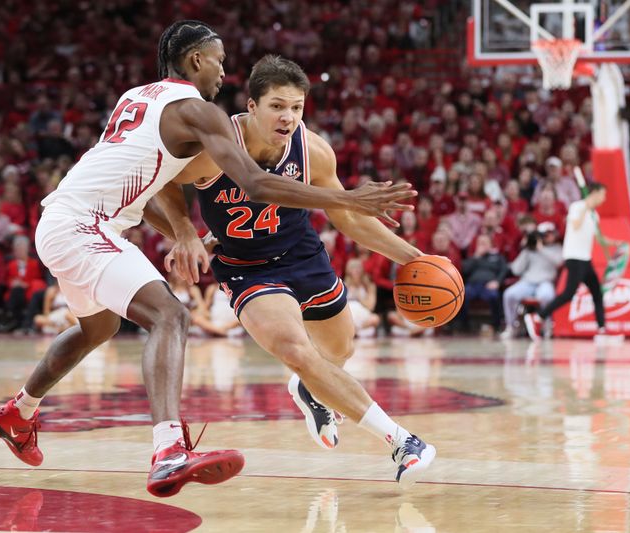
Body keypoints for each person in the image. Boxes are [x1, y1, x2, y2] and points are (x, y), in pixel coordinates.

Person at [0, 21, 416, 498]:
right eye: (219, 60)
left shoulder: (138, 96)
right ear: (195, 61)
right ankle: (169, 450)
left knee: (98, 329)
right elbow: (254, 184)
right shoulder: (198, 111)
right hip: (85, 225)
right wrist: (352, 199)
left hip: (72, 219)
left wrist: (188, 234)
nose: (223, 70)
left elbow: (145, 188)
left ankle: (17, 412)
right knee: (170, 315)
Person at [166, 55, 434, 487]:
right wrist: (184, 230)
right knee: (296, 351)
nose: (288, 116)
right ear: (251, 107)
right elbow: (162, 182)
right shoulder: (214, 148)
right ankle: (402, 441)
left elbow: (346, 217)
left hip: (302, 254)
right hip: (246, 266)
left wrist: (415, 259)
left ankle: (312, 391)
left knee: (338, 352)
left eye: (295, 107)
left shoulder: (312, 150)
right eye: (277, 106)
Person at [525, 183, 623, 341]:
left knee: (597, 293)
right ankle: (537, 317)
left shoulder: (594, 214)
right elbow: (576, 225)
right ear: (595, 193)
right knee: (568, 294)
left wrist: (614, 243)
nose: (604, 199)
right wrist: (586, 207)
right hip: (574, 258)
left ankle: (602, 330)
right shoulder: (577, 207)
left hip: (586, 259)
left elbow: (599, 239)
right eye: (602, 195)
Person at [501, 222, 562, 339]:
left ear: (554, 234)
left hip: (545, 282)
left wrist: (542, 249)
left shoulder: (557, 249)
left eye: (549, 234)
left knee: (547, 296)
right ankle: (512, 327)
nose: (547, 237)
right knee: (509, 295)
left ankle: (546, 326)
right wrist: (525, 249)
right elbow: (516, 270)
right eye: (544, 235)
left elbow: (559, 262)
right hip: (528, 282)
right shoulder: (530, 249)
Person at [460, 234, 508, 333]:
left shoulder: (497, 257)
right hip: (473, 285)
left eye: (484, 243)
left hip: (488, 285)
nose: (482, 245)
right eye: (480, 243)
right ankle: (463, 325)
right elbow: (464, 270)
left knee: (494, 296)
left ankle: (497, 325)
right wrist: (476, 256)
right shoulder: (473, 258)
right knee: (461, 296)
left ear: (490, 245)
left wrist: (497, 282)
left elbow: (504, 270)